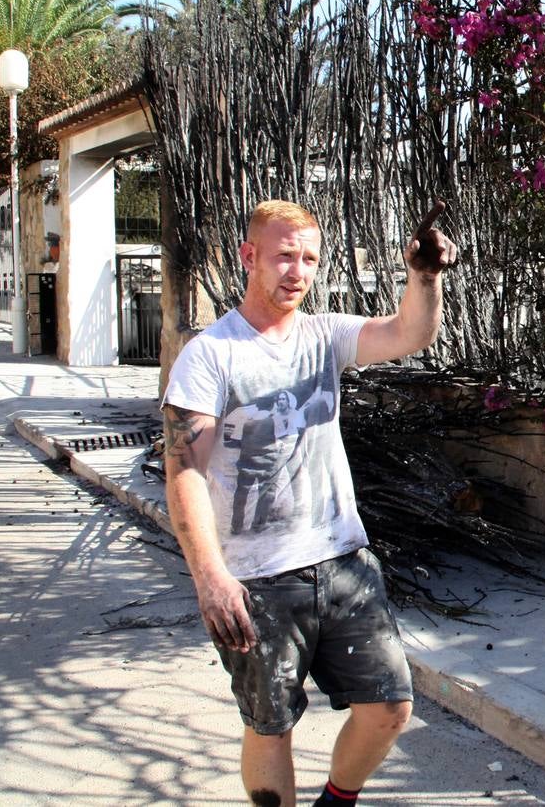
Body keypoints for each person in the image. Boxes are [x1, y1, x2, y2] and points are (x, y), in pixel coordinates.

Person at [162, 198, 457, 807]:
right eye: (283, 256)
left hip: (343, 561)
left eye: (309, 259)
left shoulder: (325, 337)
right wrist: (211, 578)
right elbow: (185, 469)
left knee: (390, 708)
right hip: (257, 578)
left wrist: (424, 277)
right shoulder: (211, 355)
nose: (297, 271)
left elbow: (410, 333)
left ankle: (336, 801)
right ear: (249, 257)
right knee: (272, 725)